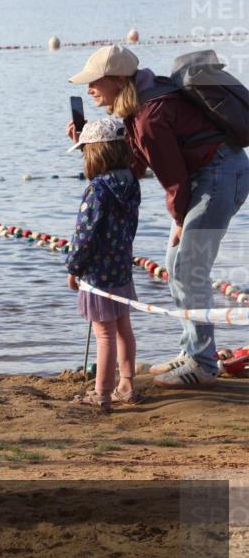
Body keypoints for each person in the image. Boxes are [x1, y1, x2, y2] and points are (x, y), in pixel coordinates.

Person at [68, 44, 249, 388]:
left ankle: (202, 364)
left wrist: (179, 221)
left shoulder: (149, 115)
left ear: (118, 80)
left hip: (221, 176)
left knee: (189, 268)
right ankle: (192, 350)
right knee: (175, 264)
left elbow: (173, 179)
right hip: (209, 177)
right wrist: (87, 145)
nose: (88, 89)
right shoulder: (138, 109)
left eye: (94, 81)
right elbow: (133, 166)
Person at [65, 118, 142, 412]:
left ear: (95, 154)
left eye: (86, 152)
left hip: (98, 274)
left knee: (104, 334)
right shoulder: (130, 182)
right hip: (122, 267)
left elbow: (85, 235)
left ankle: (102, 393)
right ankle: (127, 385)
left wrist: (73, 267)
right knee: (123, 328)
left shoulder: (96, 190)